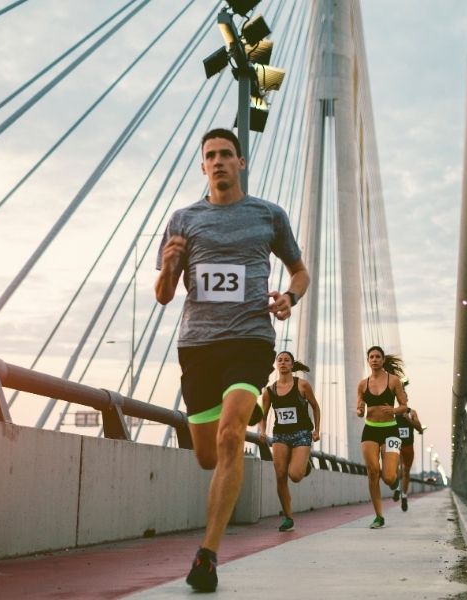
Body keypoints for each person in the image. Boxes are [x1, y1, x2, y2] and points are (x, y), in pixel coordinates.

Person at [154, 128, 309, 593]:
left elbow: (298, 271)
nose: (218, 162)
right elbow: (163, 296)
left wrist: (289, 299)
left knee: (230, 434)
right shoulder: (183, 220)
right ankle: (237, 408)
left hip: (249, 340)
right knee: (206, 456)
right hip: (198, 347)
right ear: (203, 167)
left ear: (241, 163)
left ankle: (208, 554)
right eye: (210, 156)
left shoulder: (268, 215)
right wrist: (169, 265)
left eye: (226, 154)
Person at [258, 351, 321, 533]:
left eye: (287, 360)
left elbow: (315, 406)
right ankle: (288, 517)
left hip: (302, 433)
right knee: (280, 475)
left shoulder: (302, 385)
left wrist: (317, 430)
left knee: (295, 475)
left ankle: (305, 464)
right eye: (280, 360)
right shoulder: (270, 390)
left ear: (292, 365)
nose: (283, 363)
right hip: (281, 435)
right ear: (276, 365)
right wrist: (262, 431)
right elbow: (263, 414)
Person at [355, 345, 410, 529]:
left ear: (383, 360)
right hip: (370, 430)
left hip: (390, 430)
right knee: (372, 473)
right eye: (372, 356)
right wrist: (359, 409)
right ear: (368, 360)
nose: (375, 359)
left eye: (378, 356)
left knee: (387, 477)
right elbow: (359, 405)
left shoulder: (394, 381)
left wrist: (394, 410)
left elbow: (404, 406)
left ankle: (394, 479)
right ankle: (379, 516)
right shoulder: (363, 384)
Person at [392, 393, 425, 511]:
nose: (402, 399)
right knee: (395, 467)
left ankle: (404, 496)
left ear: (406, 399)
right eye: (399, 398)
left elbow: (420, 428)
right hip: (396, 444)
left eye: (403, 398)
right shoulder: (393, 413)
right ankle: (396, 489)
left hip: (408, 445)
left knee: (406, 471)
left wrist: (408, 419)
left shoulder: (412, 413)